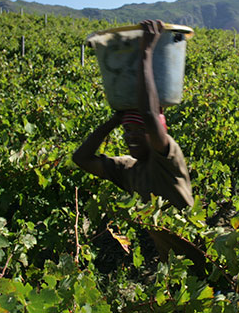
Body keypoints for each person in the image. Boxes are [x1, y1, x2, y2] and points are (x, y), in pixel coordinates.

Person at [72, 20, 204, 274]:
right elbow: (81, 159)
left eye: (139, 131)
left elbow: (150, 114)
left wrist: (147, 51)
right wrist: (114, 120)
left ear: (155, 132)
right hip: (175, 271)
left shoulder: (167, 157)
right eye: (127, 131)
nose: (131, 137)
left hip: (205, 262)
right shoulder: (128, 170)